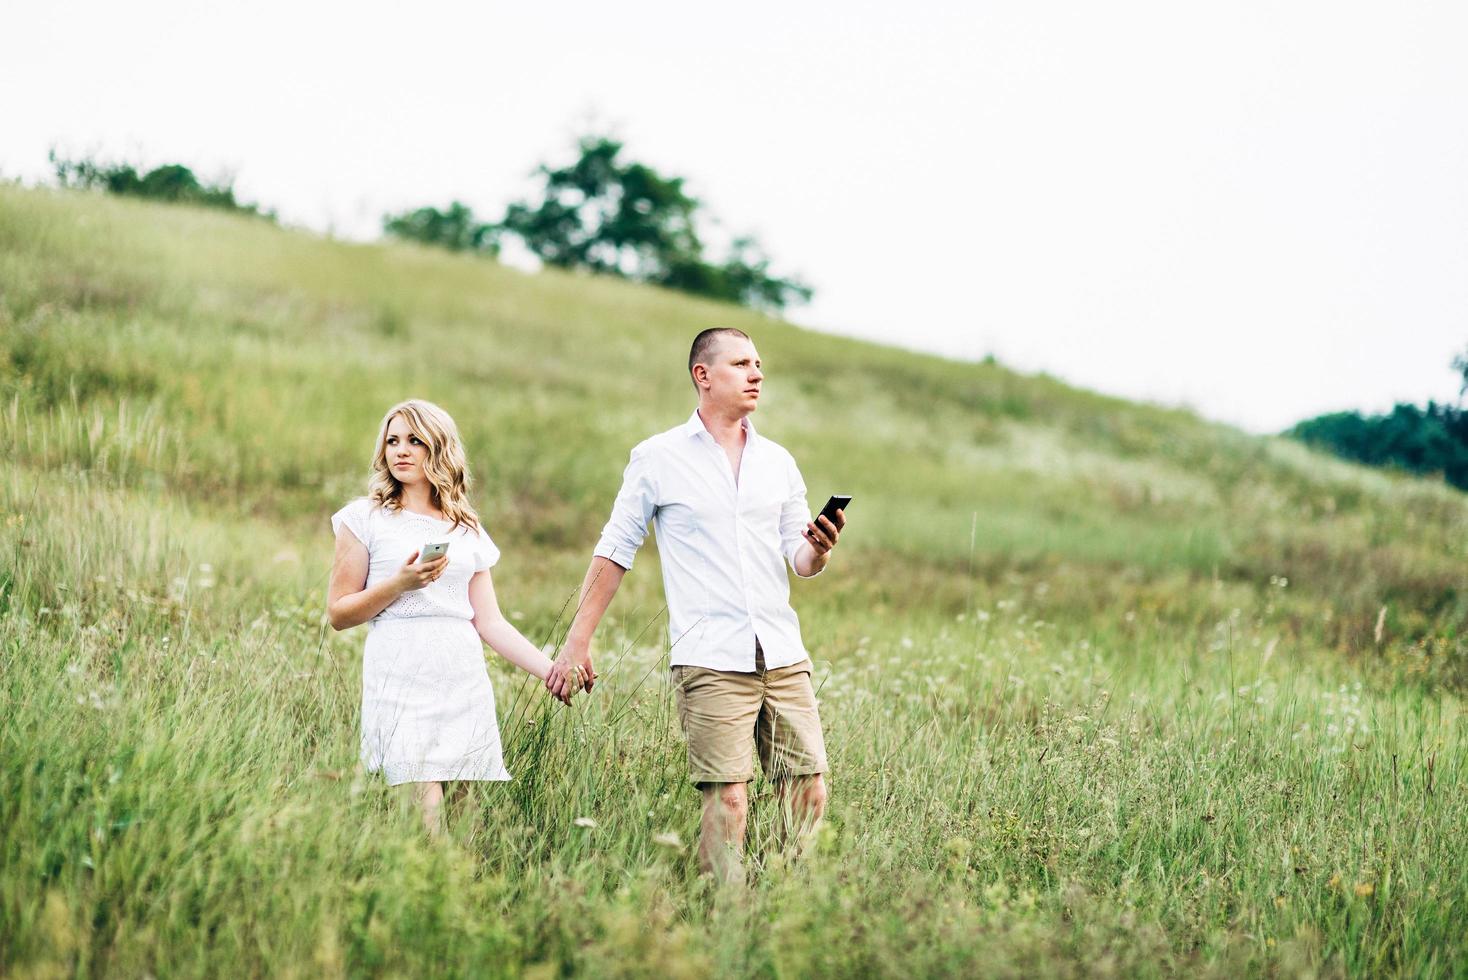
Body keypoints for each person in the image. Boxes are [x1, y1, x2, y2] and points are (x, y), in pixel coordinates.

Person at [546, 328, 845, 883]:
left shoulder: (778, 461)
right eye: (740, 363)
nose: (756, 374)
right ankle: (723, 914)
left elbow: (799, 560)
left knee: (807, 791)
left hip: (781, 652)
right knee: (729, 800)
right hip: (710, 656)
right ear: (702, 376)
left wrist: (819, 548)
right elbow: (615, 548)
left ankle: (782, 899)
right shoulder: (657, 457)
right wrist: (576, 641)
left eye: (758, 363)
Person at [327, 399, 579, 831]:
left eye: (414, 440)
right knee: (425, 812)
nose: (400, 450)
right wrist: (399, 583)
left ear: (438, 449)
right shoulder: (364, 518)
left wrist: (549, 670)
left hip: (460, 674)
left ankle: (462, 893)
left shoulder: (465, 527)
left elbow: (491, 622)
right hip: (399, 671)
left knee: (465, 815)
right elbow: (339, 612)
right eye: (392, 441)